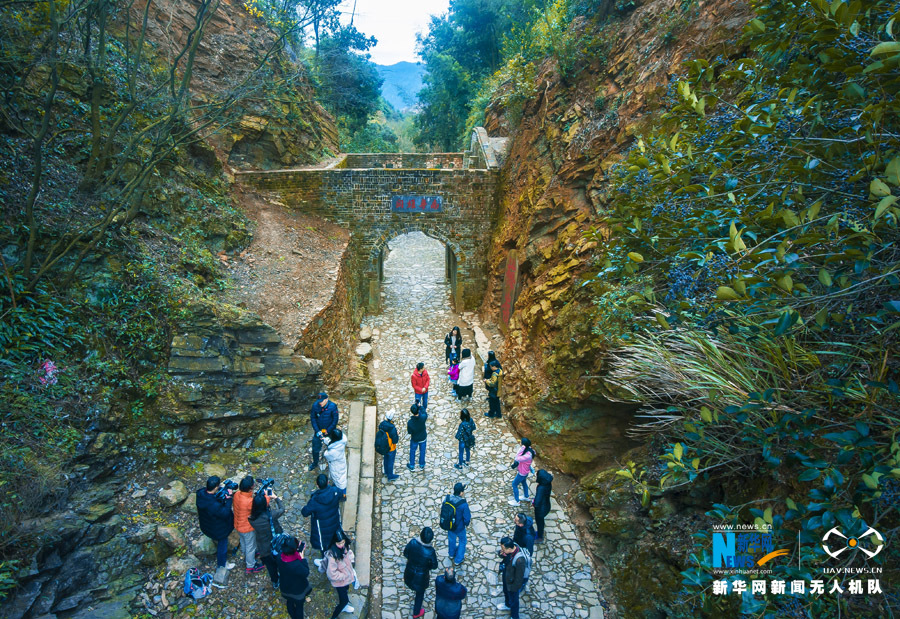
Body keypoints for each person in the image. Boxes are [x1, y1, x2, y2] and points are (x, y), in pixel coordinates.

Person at [195, 476, 236, 571]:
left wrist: (223, 490)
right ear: (216, 487)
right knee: (222, 545)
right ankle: (222, 564)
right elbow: (225, 513)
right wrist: (229, 499)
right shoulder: (213, 505)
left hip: (206, 525)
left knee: (219, 540)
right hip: (218, 530)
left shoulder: (201, 494)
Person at [301, 474, 343, 563]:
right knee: (336, 540)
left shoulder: (315, 501)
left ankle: (325, 561)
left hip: (322, 529)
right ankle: (338, 555)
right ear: (328, 482)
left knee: (324, 546)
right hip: (335, 522)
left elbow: (305, 512)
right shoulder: (335, 491)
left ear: (317, 485)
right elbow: (341, 495)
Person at [248, 489, 285, 589]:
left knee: (271, 567)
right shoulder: (271, 515)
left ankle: (275, 581)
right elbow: (282, 509)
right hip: (277, 544)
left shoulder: (251, 519)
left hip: (264, 549)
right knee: (281, 562)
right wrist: (275, 498)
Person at [403, 527, 439, 619]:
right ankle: (416, 612)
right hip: (421, 578)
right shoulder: (430, 551)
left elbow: (405, 553)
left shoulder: (413, 543)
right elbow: (434, 566)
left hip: (409, 573)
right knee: (419, 594)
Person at [233, 475, 264, 574]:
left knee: (243, 542)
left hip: (238, 524)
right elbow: (260, 505)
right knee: (251, 546)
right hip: (247, 527)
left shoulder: (237, 494)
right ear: (251, 487)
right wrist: (266, 496)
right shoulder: (249, 502)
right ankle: (250, 566)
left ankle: (246, 555)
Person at [323, 530, 356, 617]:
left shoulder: (345, 547)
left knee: (346, 588)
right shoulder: (332, 557)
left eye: (343, 542)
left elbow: (349, 553)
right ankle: (334, 615)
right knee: (343, 600)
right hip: (339, 582)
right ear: (334, 543)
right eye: (339, 543)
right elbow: (332, 574)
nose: (341, 545)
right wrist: (345, 575)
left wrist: (351, 560)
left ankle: (344, 605)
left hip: (346, 579)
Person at [278, 536, 310, 619]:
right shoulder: (296, 565)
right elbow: (306, 572)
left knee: (289, 602)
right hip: (297, 591)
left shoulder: (279, 557)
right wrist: (302, 558)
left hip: (285, 587)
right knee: (299, 607)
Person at [497, 537, 527, 618]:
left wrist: (514, 588)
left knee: (514, 600)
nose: (502, 550)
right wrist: (501, 554)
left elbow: (519, 578)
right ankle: (507, 604)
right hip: (507, 576)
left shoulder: (520, 560)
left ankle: (514, 616)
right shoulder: (510, 550)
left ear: (509, 548)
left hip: (513, 583)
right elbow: (504, 557)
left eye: (503, 549)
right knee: (506, 591)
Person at [309, 392, 339, 471]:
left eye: (322, 401)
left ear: (326, 399)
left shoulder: (333, 407)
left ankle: (332, 461)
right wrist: (318, 431)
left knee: (332, 446)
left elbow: (335, 420)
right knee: (315, 448)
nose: (320, 403)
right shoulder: (315, 406)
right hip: (319, 430)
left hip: (329, 431)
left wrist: (328, 430)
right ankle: (315, 463)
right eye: (319, 401)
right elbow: (313, 419)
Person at [443, 482, 471, 565]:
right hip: (459, 527)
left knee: (451, 539)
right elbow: (467, 518)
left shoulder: (447, 498)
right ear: (461, 493)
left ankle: (451, 554)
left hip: (449, 525)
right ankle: (458, 559)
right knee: (462, 541)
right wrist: (466, 524)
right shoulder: (463, 504)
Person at [324, 428, 348, 500]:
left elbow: (326, 455)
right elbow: (332, 443)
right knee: (341, 478)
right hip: (341, 462)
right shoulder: (342, 440)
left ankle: (343, 496)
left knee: (341, 481)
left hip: (336, 466)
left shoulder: (333, 452)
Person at [509, 438, 535, 506]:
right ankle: (526, 496)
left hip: (522, 473)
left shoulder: (527, 455)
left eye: (521, 442)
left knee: (514, 484)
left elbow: (517, 458)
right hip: (525, 471)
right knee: (524, 482)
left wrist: (521, 448)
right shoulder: (529, 449)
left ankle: (517, 501)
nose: (520, 443)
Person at [532, 469, 554, 543]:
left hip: (541, 509)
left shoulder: (541, 487)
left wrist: (534, 504)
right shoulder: (548, 483)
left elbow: (537, 501)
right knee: (541, 521)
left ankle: (540, 537)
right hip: (547, 505)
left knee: (539, 522)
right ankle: (539, 533)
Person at [378, 411, 400, 481]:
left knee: (386, 459)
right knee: (390, 461)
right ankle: (390, 475)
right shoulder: (392, 428)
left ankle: (386, 471)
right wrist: (397, 434)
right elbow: (395, 440)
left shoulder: (381, 424)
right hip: (391, 447)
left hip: (384, 446)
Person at [407, 402, 427, 471]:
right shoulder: (423, 418)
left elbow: (409, 432)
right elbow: (425, 413)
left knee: (412, 451)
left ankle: (412, 465)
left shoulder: (410, 422)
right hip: (423, 437)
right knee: (422, 451)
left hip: (415, 438)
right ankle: (421, 465)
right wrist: (420, 406)